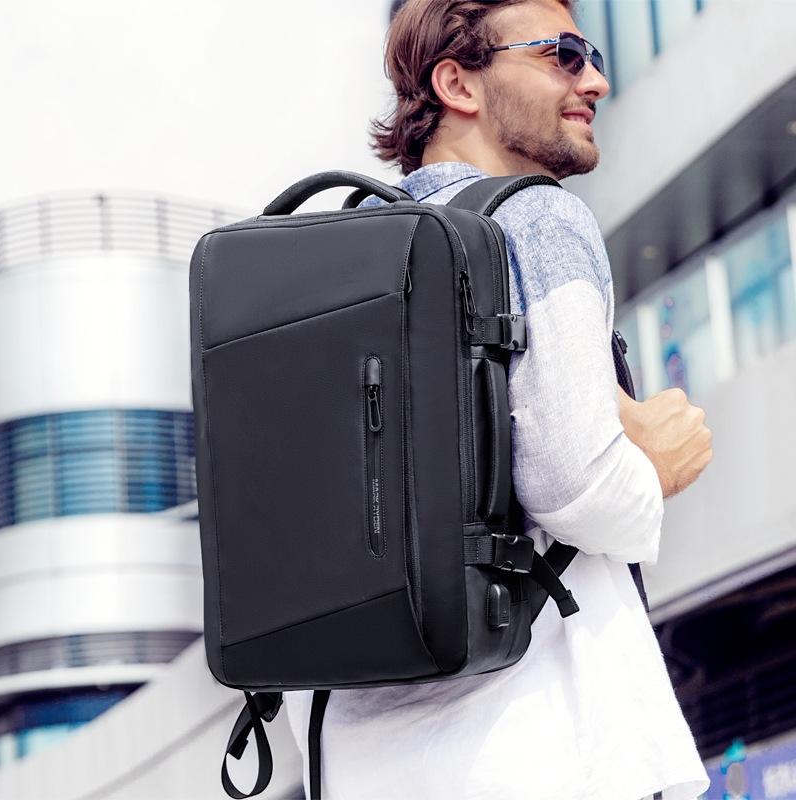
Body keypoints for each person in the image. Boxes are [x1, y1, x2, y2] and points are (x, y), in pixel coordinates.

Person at [284, 1, 714, 798]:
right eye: (563, 54)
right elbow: (576, 485)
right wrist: (658, 466)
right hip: (540, 745)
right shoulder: (537, 215)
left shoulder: (335, 263)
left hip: (354, 761)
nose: (596, 80)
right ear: (458, 84)